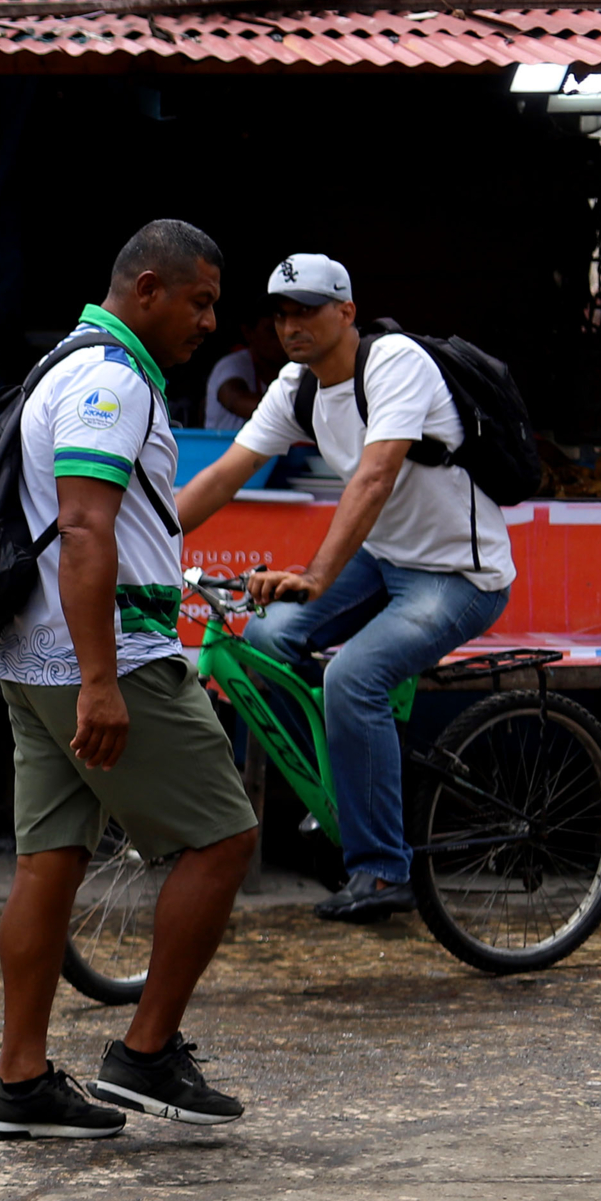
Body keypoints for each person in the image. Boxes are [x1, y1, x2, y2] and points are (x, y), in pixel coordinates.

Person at [0, 219, 261, 1144]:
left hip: (32, 656)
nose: (211, 321)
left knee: (48, 861)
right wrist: (101, 680)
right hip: (110, 660)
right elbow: (87, 529)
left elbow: (125, 519)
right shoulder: (112, 379)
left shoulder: (63, 363)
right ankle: (144, 1055)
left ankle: (18, 1084)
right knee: (222, 838)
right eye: (202, 300)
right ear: (148, 288)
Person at [177, 254, 516, 923]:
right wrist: (147, 542)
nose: (291, 325)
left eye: (307, 309)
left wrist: (317, 575)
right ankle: (345, 786)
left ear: (347, 313)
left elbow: (374, 475)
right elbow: (225, 473)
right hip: (383, 560)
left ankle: (383, 871)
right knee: (268, 639)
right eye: (281, 313)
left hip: (460, 576)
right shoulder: (296, 387)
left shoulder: (394, 364)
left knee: (352, 677)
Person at [204, 311, 283, 425]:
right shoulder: (231, 364)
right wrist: (296, 412)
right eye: (272, 331)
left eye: (281, 329)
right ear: (248, 332)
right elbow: (234, 400)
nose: (281, 337)